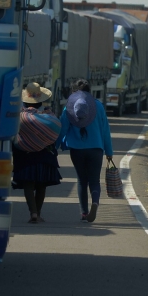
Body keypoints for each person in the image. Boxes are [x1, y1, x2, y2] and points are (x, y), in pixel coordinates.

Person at [57, 79, 114, 223]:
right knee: (94, 180)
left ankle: (84, 212)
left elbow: (62, 129)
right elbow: (105, 130)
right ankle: (95, 202)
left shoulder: (68, 108)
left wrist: (54, 146)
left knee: (82, 180)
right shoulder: (98, 106)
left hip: (77, 150)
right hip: (96, 148)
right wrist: (109, 151)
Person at [12, 82, 62, 224]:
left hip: (25, 155)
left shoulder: (20, 115)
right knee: (41, 185)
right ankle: (38, 214)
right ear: (40, 99)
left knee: (28, 184)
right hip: (44, 154)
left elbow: (13, 133)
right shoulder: (48, 115)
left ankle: (33, 212)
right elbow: (55, 130)